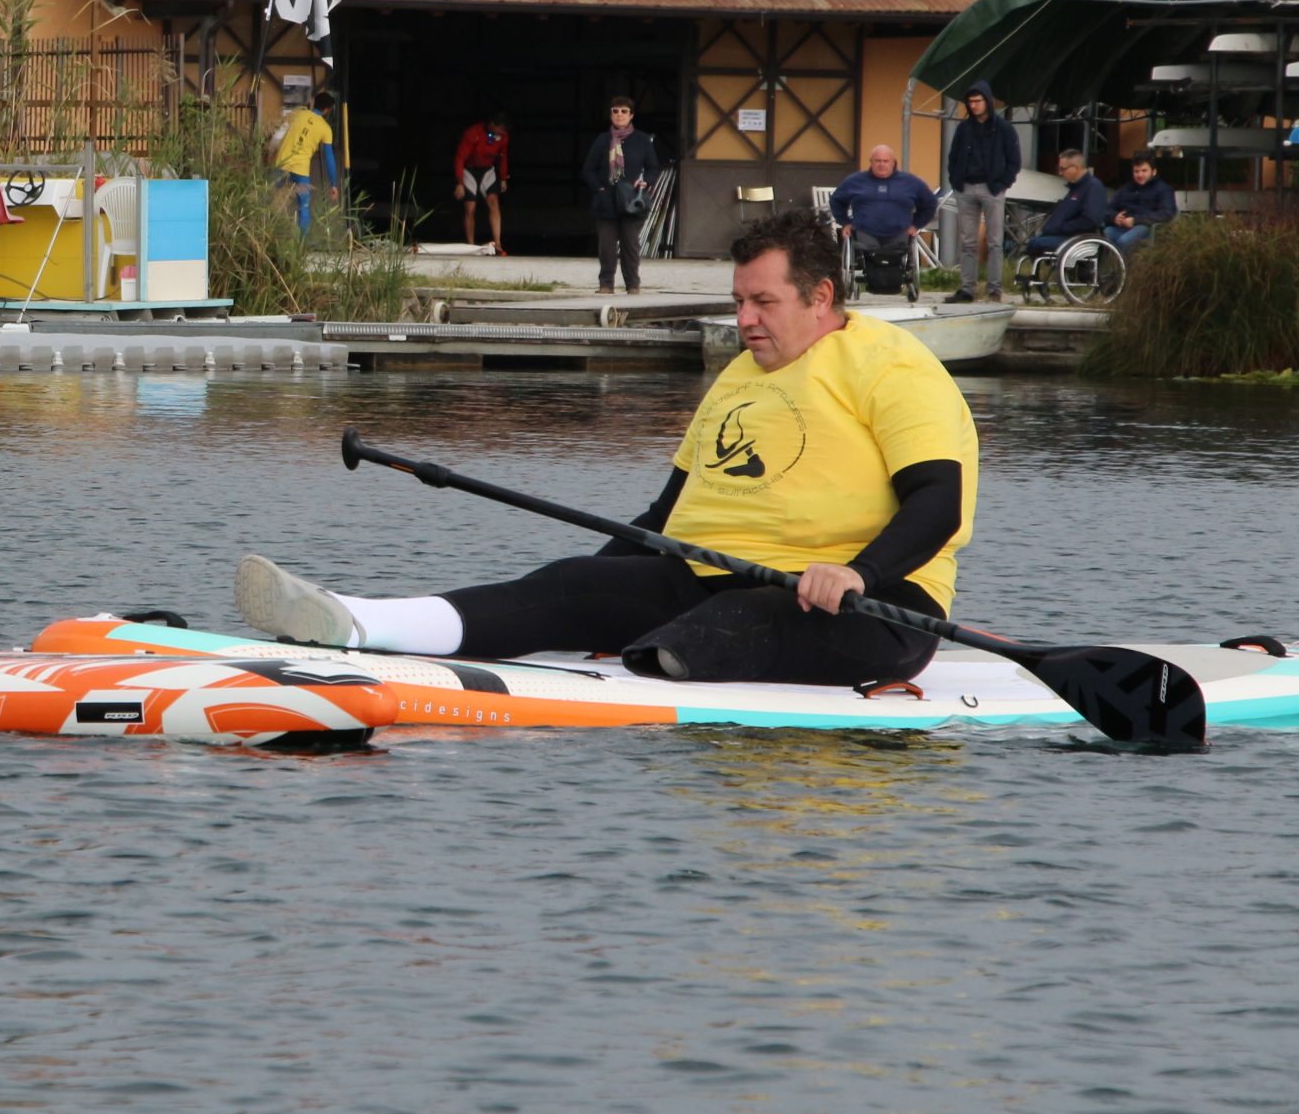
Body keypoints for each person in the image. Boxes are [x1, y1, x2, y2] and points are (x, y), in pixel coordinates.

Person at [236, 209, 974, 690]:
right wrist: (592, 597)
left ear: (820, 297)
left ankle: (641, 668)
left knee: (722, 626)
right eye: (738, 301)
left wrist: (856, 572)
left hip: (866, 606)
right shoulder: (742, 375)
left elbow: (939, 501)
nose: (744, 319)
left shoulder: (892, 366)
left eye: (763, 302)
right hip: (710, 577)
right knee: (566, 585)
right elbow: (665, 515)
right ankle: (361, 623)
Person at [946, 79, 1021, 304]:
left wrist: (1003, 183)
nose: (973, 105)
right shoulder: (964, 128)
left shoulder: (1004, 129)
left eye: (977, 101)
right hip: (965, 187)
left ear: (988, 101)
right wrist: (956, 180)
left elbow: (1014, 161)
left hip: (992, 189)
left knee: (994, 242)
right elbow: (953, 157)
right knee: (968, 241)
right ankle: (967, 289)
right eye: (970, 102)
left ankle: (994, 289)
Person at [580, 96, 658, 295]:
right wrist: (599, 188)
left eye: (624, 111)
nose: (619, 115)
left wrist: (646, 182)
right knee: (606, 246)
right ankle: (606, 285)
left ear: (631, 115)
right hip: (606, 200)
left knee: (630, 245)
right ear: (610, 115)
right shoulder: (602, 140)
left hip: (630, 200)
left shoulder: (642, 140)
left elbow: (653, 167)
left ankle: (633, 285)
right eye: (615, 111)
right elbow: (588, 169)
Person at [827, 143, 937, 258]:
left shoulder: (911, 182)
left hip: (899, 233)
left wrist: (916, 225)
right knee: (868, 253)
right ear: (871, 162)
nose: (882, 164)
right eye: (878, 161)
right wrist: (845, 222)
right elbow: (836, 201)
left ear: (893, 162)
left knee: (896, 252)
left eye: (885, 161)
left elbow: (930, 203)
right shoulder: (854, 181)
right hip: (865, 233)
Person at [271, 89, 340, 233]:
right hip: (301, 170)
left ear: (314, 103)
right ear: (327, 110)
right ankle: (301, 243)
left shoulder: (298, 113)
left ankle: (264, 234)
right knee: (304, 207)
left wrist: (270, 152)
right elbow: (329, 158)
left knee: (270, 199)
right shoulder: (326, 129)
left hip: (281, 163)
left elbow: (278, 135)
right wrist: (333, 184)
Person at [1024, 148, 1110, 257]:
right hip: (1064, 236)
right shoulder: (1076, 188)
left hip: (1076, 239)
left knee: (1035, 244)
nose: (1060, 173)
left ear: (1076, 168)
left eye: (1063, 169)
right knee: (1035, 242)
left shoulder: (1093, 187)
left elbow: (1090, 221)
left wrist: (1060, 227)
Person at [454, 113, 511, 254]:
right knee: (470, 208)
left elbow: (503, 157)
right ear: (492, 124)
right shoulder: (473, 133)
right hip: (469, 171)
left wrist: (503, 178)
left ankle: (498, 244)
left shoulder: (503, 136)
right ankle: (470, 245)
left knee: (494, 203)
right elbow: (460, 158)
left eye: (504, 129)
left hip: (487, 171)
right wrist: (460, 183)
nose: (502, 132)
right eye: (500, 128)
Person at [1104, 154, 1176, 255]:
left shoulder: (1163, 189)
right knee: (1106, 234)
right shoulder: (1126, 188)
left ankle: (1125, 265)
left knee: (1124, 241)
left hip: (1148, 227)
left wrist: (1135, 220)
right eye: (1136, 171)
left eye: (1144, 171)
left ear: (1154, 172)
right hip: (1124, 227)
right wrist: (1114, 217)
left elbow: (1167, 213)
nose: (1140, 175)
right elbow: (1108, 209)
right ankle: (1114, 264)